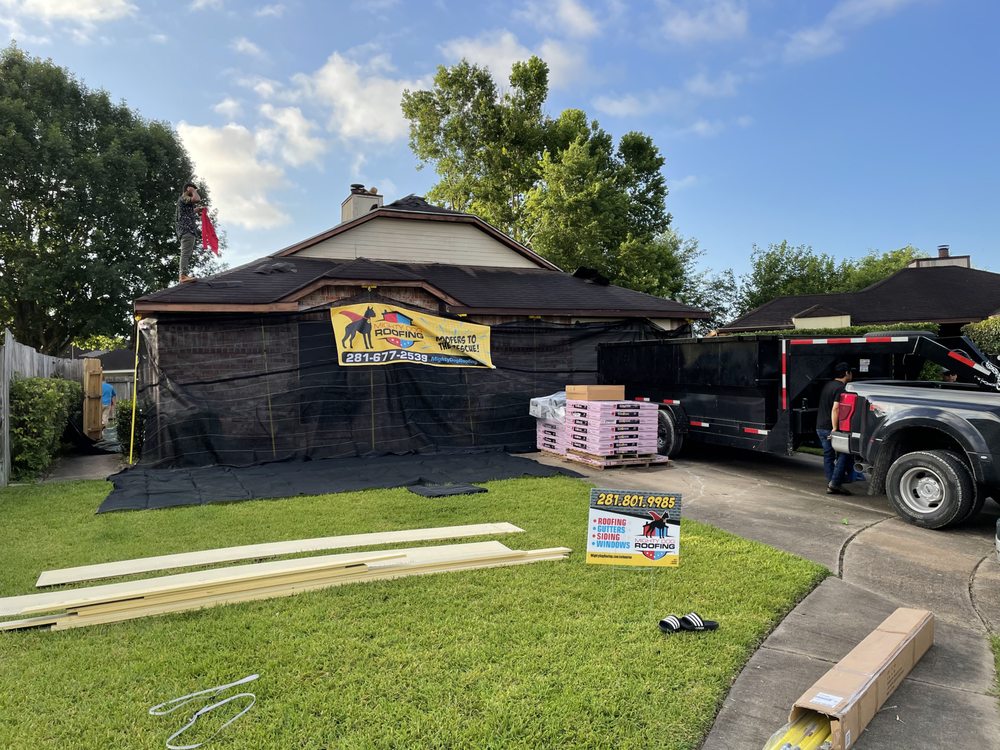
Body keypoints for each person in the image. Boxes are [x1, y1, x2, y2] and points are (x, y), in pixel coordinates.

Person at [816, 361, 854, 495]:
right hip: (830, 427)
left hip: (820, 426)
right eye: (850, 372)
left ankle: (831, 482)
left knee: (828, 455)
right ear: (846, 373)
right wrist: (835, 428)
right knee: (845, 453)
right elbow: (836, 409)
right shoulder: (840, 388)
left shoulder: (828, 385)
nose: (851, 374)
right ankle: (835, 483)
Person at [175, 182, 204, 282]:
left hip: (186, 230)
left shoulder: (183, 201)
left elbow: (189, 212)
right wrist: (193, 191)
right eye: (193, 190)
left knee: (187, 253)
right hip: (187, 230)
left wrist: (198, 210)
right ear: (188, 189)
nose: (194, 192)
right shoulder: (184, 197)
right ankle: (183, 275)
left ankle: (183, 275)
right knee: (185, 253)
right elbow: (197, 199)